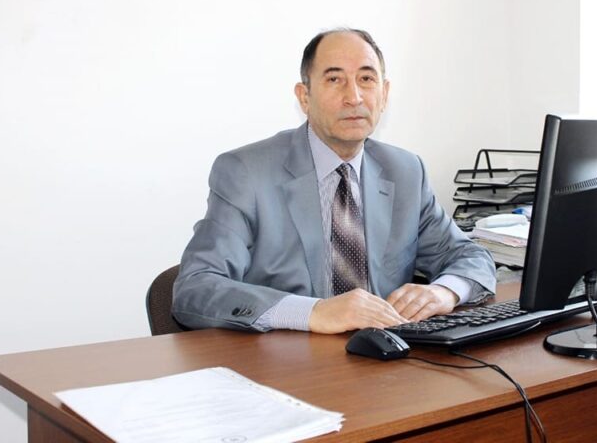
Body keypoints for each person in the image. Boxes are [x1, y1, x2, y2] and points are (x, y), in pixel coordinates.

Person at [172, 28, 496, 334]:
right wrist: (313, 312)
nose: (354, 97)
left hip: (386, 358)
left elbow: (471, 257)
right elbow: (196, 287)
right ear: (304, 97)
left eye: (366, 79)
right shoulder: (246, 173)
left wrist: (445, 291)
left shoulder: (406, 171)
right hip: (289, 362)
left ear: (384, 94)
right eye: (334, 79)